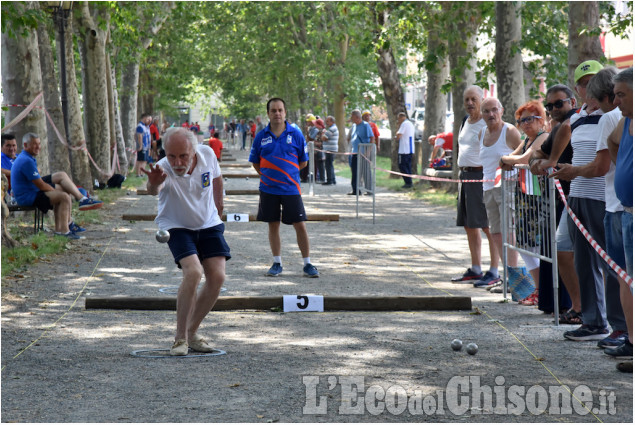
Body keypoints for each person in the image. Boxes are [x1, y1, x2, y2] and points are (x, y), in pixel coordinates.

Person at [549, 67, 628, 348]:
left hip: (602, 198)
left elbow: (603, 164)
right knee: (585, 261)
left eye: (589, 87)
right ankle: (594, 321)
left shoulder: (613, 117)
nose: (586, 92)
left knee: (612, 266)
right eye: (582, 86)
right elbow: (561, 138)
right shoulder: (581, 117)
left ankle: (619, 326)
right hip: (581, 195)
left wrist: (575, 172)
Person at [142, 127, 230, 356]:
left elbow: (217, 179)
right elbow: (153, 189)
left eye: (183, 155)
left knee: (218, 276)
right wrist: (152, 183)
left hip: (208, 223)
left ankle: (192, 332)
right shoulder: (162, 168)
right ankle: (179, 338)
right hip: (176, 225)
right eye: (172, 156)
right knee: (193, 273)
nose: (177, 162)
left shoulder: (208, 154)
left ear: (194, 149)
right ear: (165, 152)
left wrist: (219, 205)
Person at [249, 97, 318, 278]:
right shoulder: (261, 136)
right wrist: (268, 175)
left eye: (280, 110)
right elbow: (255, 162)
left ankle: (307, 263)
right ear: (268, 113)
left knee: (300, 225)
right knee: (273, 225)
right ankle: (277, 262)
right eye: (273, 110)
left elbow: (303, 162)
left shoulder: (296, 134)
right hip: (268, 189)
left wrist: (287, 175)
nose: (277, 113)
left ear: (285, 112)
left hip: (291, 189)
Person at [529, 84, 580, 320]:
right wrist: (544, 160)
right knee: (560, 250)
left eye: (559, 103)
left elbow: (546, 157)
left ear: (572, 101)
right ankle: (576, 308)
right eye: (549, 106)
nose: (553, 109)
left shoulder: (573, 122)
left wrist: (549, 161)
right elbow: (536, 156)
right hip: (561, 198)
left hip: (581, 197)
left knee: (582, 256)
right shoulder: (557, 127)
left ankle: (585, 310)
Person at [499, 100, 549, 303]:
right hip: (524, 195)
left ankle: (541, 289)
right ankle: (538, 288)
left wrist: (508, 160)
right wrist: (509, 159)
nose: (525, 124)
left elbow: (522, 159)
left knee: (536, 244)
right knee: (524, 244)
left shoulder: (543, 137)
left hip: (538, 197)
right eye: (521, 121)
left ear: (540, 119)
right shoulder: (527, 139)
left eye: (529, 119)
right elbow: (511, 156)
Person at [11, 133, 102, 239]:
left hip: (32, 188)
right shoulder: (26, 161)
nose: (38, 147)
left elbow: (38, 183)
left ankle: (81, 200)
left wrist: (54, 190)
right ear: (25, 145)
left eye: (39, 144)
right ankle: (64, 232)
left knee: (61, 176)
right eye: (34, 144)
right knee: (64, 196)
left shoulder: (26, 157)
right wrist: (55, 191)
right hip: (27, 196)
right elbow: (41, 186)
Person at [452, 85, 498, 286]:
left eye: (473, 99)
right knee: (470, 224)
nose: (470, 103)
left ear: (481, 99)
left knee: (487, 225)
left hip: (481, 177)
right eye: (466, 100)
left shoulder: (487, 123)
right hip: (465, 177)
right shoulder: (465, 121)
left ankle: (494, 270)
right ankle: (476, 268)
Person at [474, 97, 521, 289]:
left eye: (494, 110)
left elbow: (524, 152)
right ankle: (508, 275)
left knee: (508, 232)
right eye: (486, 111)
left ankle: (515, 279)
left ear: (501, 111)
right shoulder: (481, 133)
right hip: (487, 188)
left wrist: (510, 161)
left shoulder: (509, 131)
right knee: (495, 232)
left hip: (507, 187)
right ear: (482, 114)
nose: (491, 114)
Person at [606, 67, 633, 371]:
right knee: (628, 279)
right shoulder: (625, 122)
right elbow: (613, 144)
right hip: (627, 213)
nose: (617, 102)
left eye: (622, 95)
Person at [348, 109, 375, 195]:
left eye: (352, 117)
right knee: (354, 172)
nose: (351, 119)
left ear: (357, 117)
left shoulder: (365, 125)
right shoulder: (354, 126)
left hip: (363, 153)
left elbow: (372, 138)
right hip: (355, 152)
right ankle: (356, 190)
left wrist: (368, 152)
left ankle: (369, 190)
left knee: (366, 172)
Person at [394, 112, 415, 189]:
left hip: (404, 149)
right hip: (409, 148)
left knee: (402, 165)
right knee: (408, 165)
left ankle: (408, 182)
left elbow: (398, 135)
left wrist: (396, 135)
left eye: (398, 119)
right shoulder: (410, 123)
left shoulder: (404, 124)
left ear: (401, 117)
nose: (398, 120)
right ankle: (409, 181)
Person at [321, 116, 339, 186]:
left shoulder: (332, 129)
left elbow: (324, 138)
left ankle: (330, 180)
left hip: (330, 149)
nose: (326, 122)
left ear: (332, 121)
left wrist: (323, 134)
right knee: (329, 165)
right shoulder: (332, 128)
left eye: (328, 121)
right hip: (330, 149)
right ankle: (332, 179)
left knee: (328, 165)